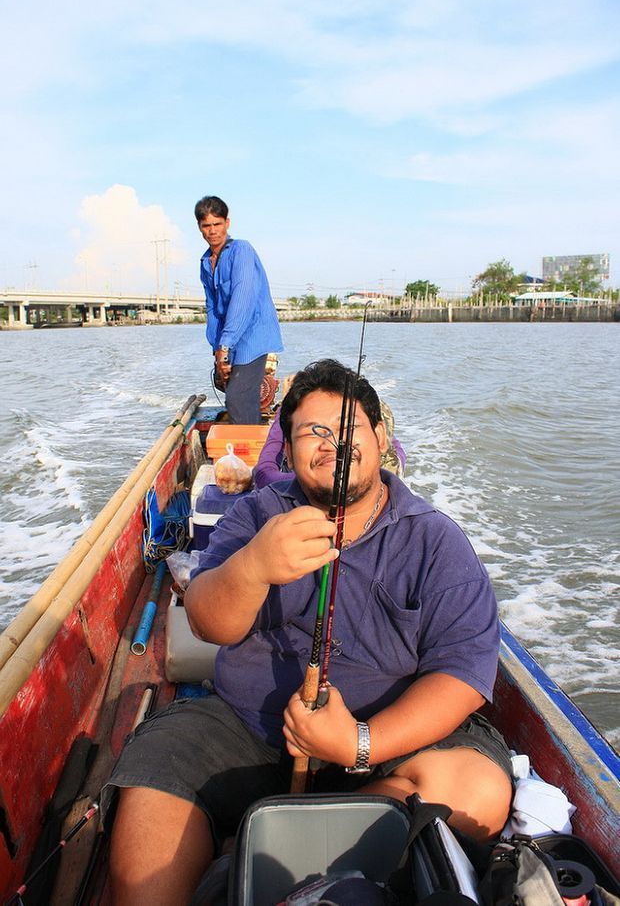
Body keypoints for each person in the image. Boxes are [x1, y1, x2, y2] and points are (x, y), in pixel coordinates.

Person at [106, 359, 513, 905]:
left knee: (480, 789)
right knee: (153, 781)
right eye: (311, 432)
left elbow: (463, 672)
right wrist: (252, 566)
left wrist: (360, 744)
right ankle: (299, 840)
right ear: (288, 447)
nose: (331, 444)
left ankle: (270, 841)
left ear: (381, 437)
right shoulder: (255, 516)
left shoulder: (435, 540)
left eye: (347, 428)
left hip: (384, 745)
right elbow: (206, 620)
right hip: (245, 729)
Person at [195, 195, 283, 424]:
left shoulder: (241, 250)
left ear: (227, 223)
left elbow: (242, 300)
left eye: (217, 224)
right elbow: (212, 308)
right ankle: (250, 440)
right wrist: (217, 350)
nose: (212, 231)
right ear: (200, 228)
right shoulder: (206, 263)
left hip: (253, 335)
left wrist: (225, 345)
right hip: (229, 339)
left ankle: (251, 455)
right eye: (206, 225)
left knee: (237, 397)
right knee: (230, 389)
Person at [254, 393, 407, 488]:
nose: (329, 445)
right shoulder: (394, 466)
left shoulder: (313, 480)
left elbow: (264, 475)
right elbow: (393, 442)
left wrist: (285, 411)